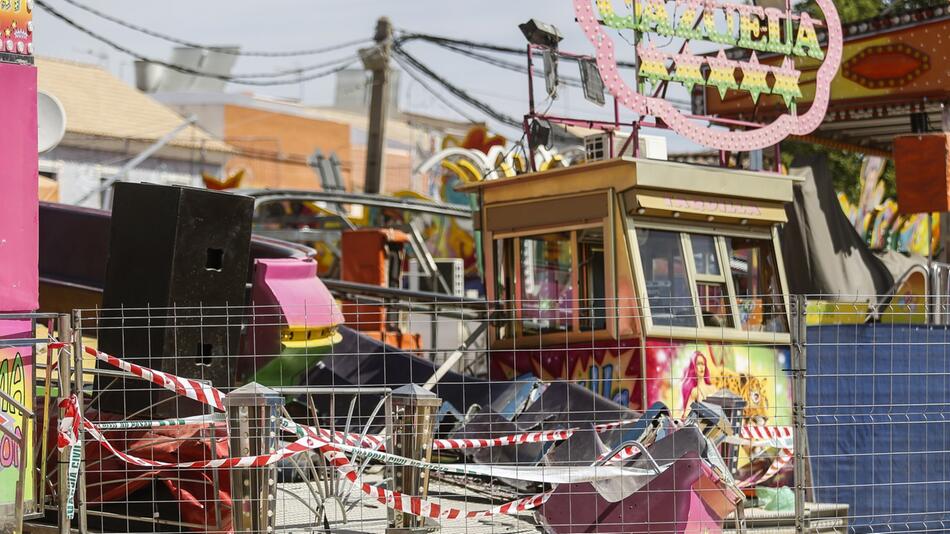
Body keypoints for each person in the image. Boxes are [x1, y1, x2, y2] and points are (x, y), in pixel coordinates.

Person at [680, 350, 718, 417]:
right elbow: (686, 415)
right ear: (693, 367)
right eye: (698, 364)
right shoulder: (695, 391)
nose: (701, 367)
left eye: (703, 364)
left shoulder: (713, 388)